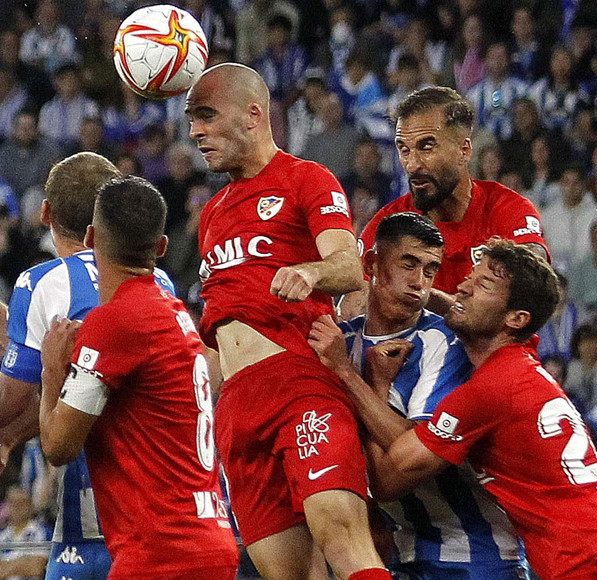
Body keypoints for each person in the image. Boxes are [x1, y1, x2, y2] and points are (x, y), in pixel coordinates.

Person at [309, 239, 597, 580]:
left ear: (515, 319)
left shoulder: (490, 389)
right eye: (470, 278)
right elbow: (463, 309)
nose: (463, 288)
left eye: (482, 286)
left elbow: (396, 469)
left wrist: (348, 372)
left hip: (595, 562)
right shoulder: (521, 364)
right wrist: (419, 297)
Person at [184, 63, 389, 580]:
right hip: (236, 408)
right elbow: (220, 327)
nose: (194, 133)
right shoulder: (211, 214)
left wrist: (310, 270)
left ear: (254, 115)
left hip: (299, 385)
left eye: (205, 116)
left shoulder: (306, 179)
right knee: (286, 574)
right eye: (191, 121)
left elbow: (351, 266)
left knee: (343, 541)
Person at [38, 176, 239, 578]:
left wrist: (50, 370)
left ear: (91, 237)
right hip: (212, 541)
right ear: (161, 247)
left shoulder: (114, 323)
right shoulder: (176, 313)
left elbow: (58, 446)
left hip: (160, 553)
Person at [0, 152, 175, 580]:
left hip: (95, 505)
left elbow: (12, 405)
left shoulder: (40, 282)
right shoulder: (158, 281)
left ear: (45, 212)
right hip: (160, 495)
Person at [337, 212, 520, 578]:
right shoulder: (340, 341)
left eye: (430, 270)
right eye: (408, 265)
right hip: (405, 553)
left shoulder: (444, 344)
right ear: (371, 264)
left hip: (475, 556)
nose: (418, 283)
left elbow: (407, 456)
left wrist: (349, 376)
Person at [353, 86, 549, 317]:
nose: (412, 164)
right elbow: (352, 302)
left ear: (463, 151)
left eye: (426, 147)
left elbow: (532, 288)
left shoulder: (508, 209)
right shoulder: (389, 224)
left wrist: (421, 297)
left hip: (498, 353)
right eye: (404, 150)